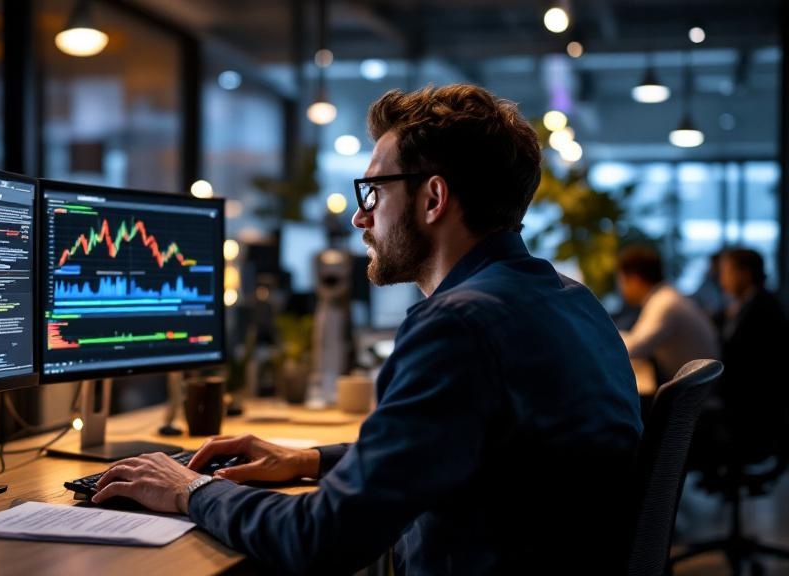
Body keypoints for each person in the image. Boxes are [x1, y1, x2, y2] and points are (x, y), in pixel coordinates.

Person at [89, 84, 643, 575]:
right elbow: (464, 448)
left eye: (374, 192)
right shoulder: (572, 302)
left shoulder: (457, 325)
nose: (361, 217)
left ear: (433, 199)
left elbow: (320, 539)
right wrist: (309, 459)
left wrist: (191, 490)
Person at [715, 247, 789, 460]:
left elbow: (752, 364)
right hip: (745, 401)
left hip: (753, 408)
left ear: (745, 273)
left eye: (726, 272)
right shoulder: (747, 303)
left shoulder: (763, 308)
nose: (722, 280)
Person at [616, 244, 719, 383]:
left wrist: (601, 337)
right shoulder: (665, 297)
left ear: (635, 280)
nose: (620, 289)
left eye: (621, 281)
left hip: (699, 393)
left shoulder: (664, 304)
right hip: (698, 386)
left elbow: (633, 349)